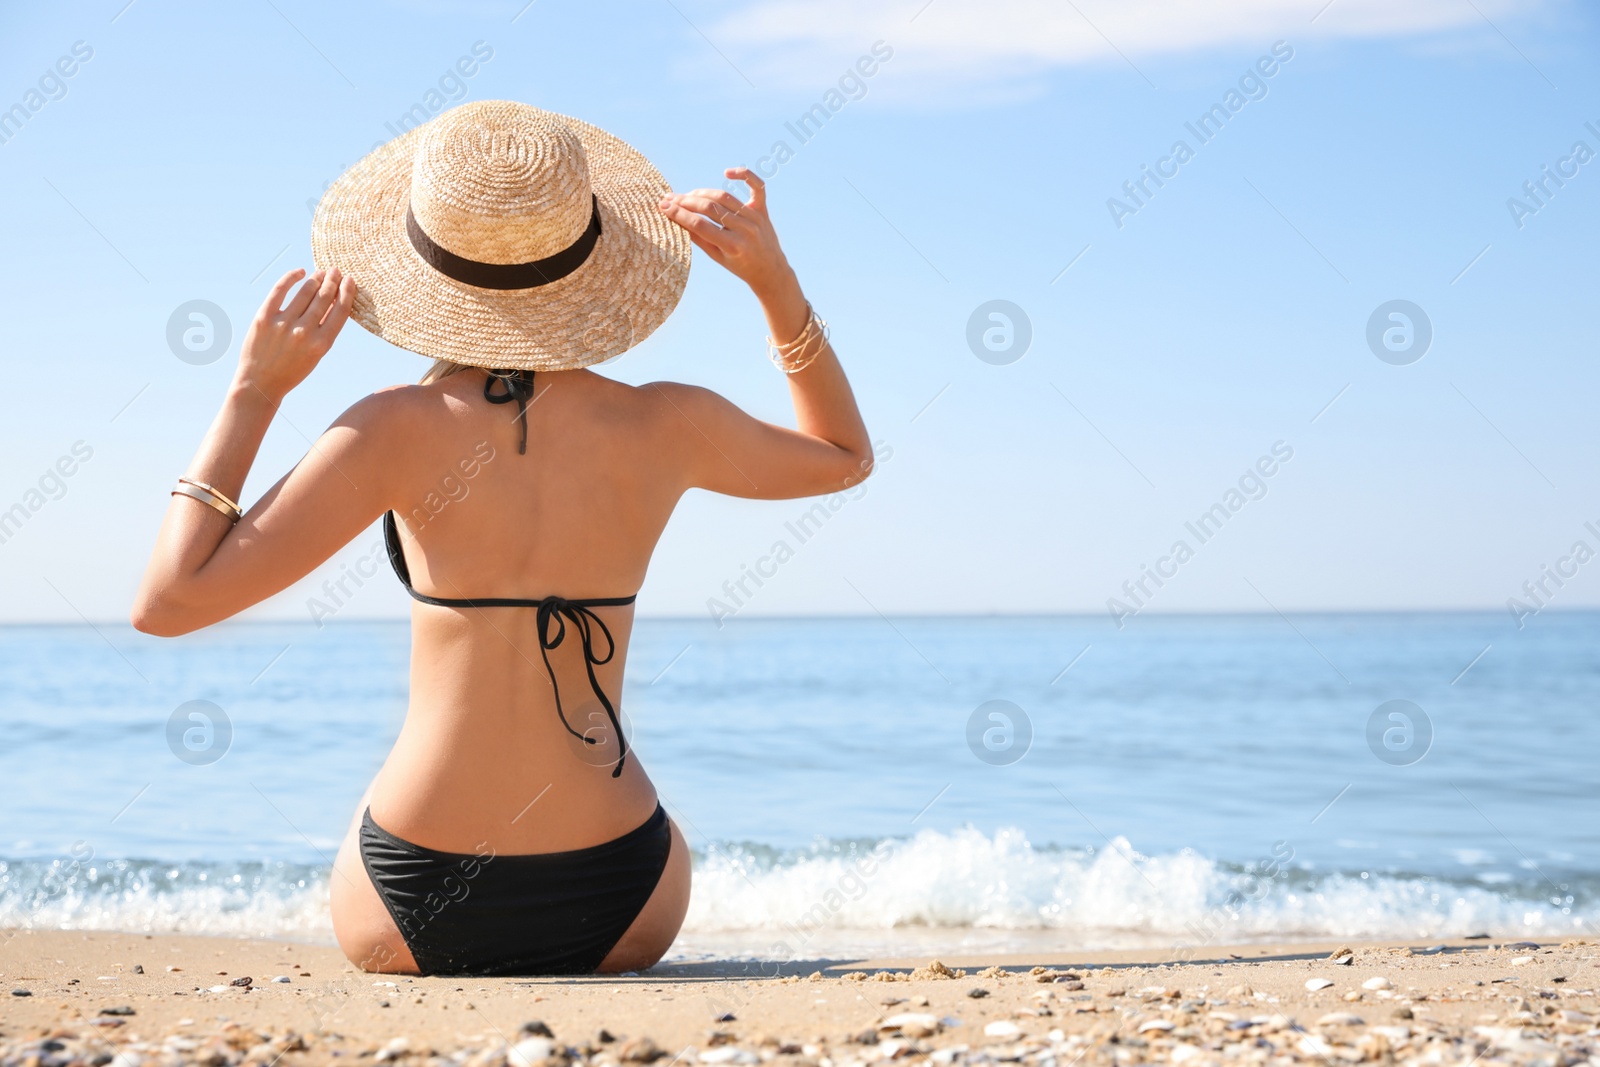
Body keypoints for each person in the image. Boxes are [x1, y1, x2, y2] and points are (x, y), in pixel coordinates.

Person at [131, 101, 873, 976]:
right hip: (624, 896)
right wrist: (775, 283)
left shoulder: (388, 431)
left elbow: (168, 602)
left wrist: (255, 393)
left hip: (411, 900)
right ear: (593, 256)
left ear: (421, 266)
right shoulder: (665, 421)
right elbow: (844, 456)